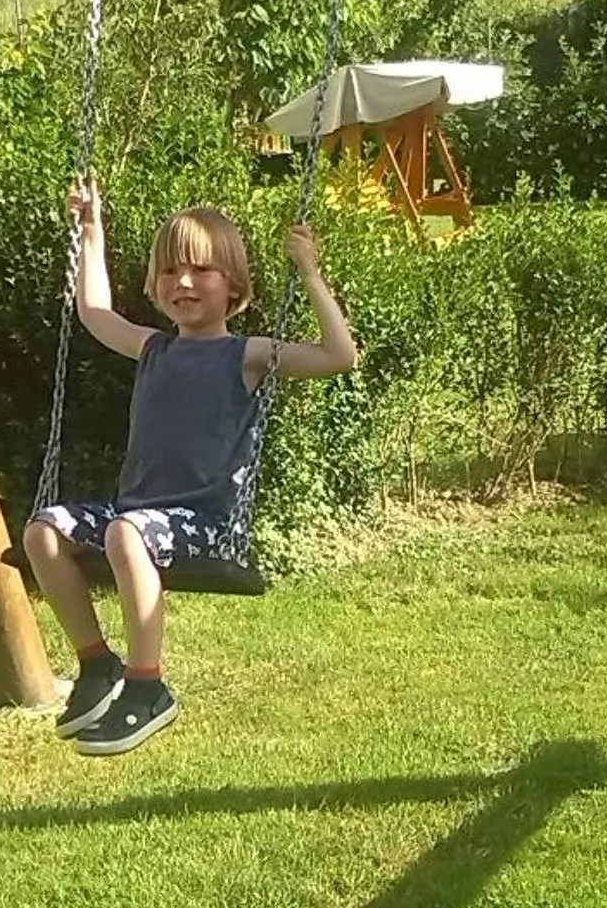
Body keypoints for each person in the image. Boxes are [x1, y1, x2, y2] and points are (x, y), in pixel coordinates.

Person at [23, 184, 359, 756]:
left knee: (125, 532)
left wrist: (309, 272)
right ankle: (98, 665)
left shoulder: (247, 354)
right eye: (170, 271)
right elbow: (94, 312)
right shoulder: (154, 348)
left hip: (205, 524)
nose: (182, 282)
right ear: (155, 287)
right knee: (43, 530)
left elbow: (338, 356)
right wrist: (92, 229)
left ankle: (148, 687)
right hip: (136, 516)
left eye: (201, 270)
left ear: (234, 286)